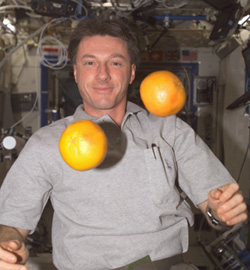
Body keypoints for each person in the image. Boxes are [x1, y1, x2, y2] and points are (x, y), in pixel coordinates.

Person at [0, 17, 248, 270]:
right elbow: (10, 222)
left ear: (130, 72)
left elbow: (215, 206)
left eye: (115, 62)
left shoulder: (168, 129)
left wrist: (220, 212)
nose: (102, 75)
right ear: (75, 71)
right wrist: (6, 246)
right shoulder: (46, 143)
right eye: (90, 62)